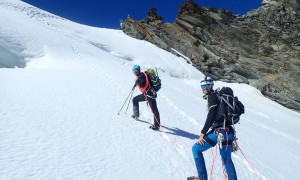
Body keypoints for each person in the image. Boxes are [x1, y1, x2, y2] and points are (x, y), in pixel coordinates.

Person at [190, 76, 237, 180]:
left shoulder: (212, 96)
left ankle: (202, 178)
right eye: (203, 86)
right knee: (226, 159)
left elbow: (211, 115)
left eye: (207, 85)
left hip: (219, 133)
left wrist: (203, 132)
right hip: (229, 133)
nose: (205, 88)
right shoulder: (221, 97)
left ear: (212, 85)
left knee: (196, 149)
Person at [131, 64, 160, 130]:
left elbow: (142, 82)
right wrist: (136, 83)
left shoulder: (141, 76)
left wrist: (137, 81)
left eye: (136, 71)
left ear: (139, 70)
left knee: (154, 110)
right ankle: (136, 115)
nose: (135, 72)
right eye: (134, 71)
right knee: (135, 99)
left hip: (149, 95)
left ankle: (157, 125)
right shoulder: (141, 75)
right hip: (147, 94)